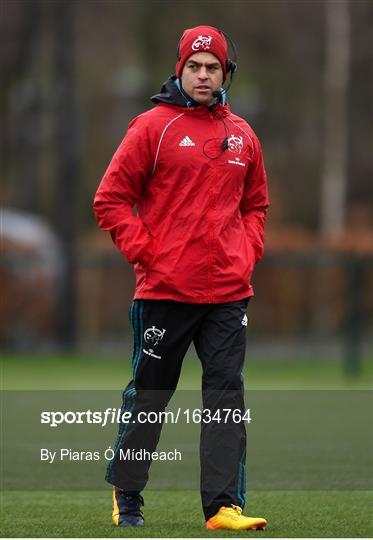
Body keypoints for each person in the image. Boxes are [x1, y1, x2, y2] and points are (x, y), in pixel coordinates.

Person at [94, 25, 269, 531]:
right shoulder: (152, 127)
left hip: (228, 295)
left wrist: (248, 250)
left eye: (212, 67)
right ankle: (127, 495)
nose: (203, 74)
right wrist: (148, 253)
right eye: (194, 66)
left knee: (226, 399)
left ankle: (222, 508)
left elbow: (256, 204)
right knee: (150, 397)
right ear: (179, 70)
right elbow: (109, 200)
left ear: (225, 74)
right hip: (165, 290)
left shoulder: (243, 135)